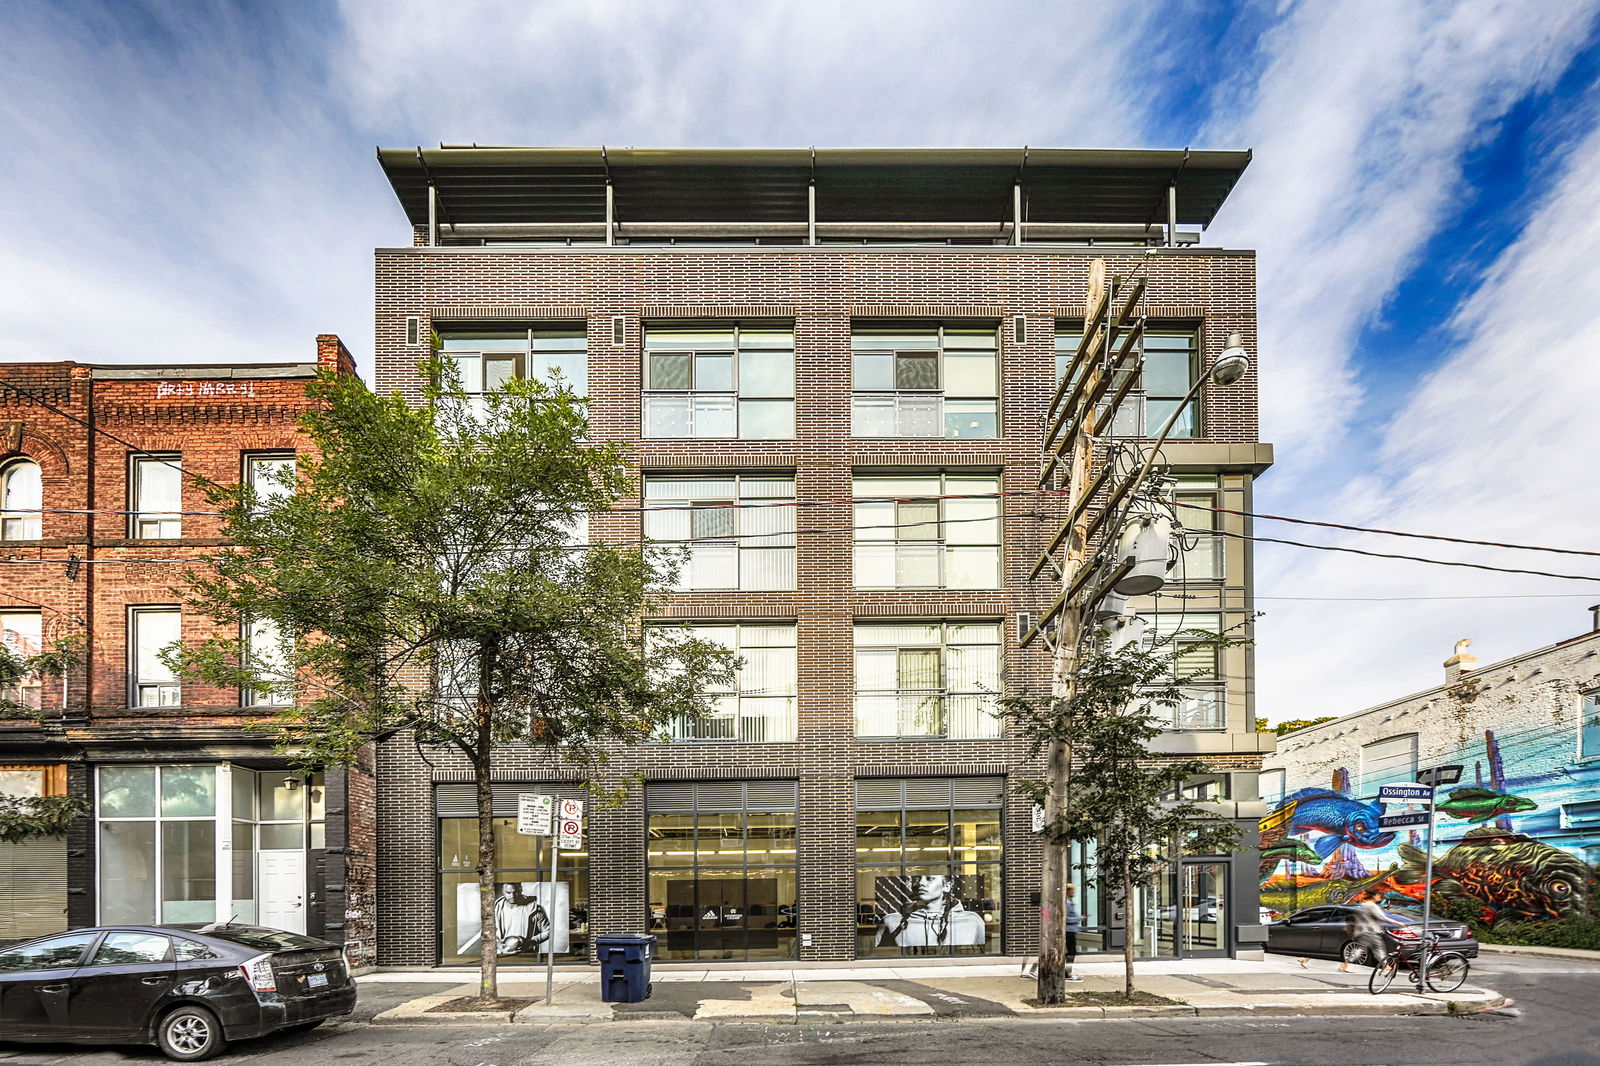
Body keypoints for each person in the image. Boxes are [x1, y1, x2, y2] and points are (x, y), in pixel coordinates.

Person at [876, 873, 986, 949]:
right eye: (917, 878)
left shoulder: (972, 921)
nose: (920, 883)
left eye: (930, 878)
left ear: (946, 886)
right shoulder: (892, 922)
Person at [493, 882, 551, 955]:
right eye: (508, 892)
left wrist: (530, 943)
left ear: (521, 889)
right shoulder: (494, 910)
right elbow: (487, 933)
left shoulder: (535, 909)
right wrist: (497, 943)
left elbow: (548, 932)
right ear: (502, 891)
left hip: (527, 955)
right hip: (501, 955)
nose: (512, 896)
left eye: (515, 892)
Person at [1339, 890, 1389, 973]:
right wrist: (1397, 923)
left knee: (1362, 949)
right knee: (1378, 948)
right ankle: (1386, 966)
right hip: (1369, 932)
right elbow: (1382, 917)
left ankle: (1345, 965)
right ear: (1374, 896)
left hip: (1364, 932)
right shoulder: (1370, 906)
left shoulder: (1363, 905)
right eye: (1378, 895)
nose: (1379, 897)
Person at [1063, 884, 1084, 982]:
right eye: (1072, 891)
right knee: (1071, 953)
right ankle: (1067, 973)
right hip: (1069, 931)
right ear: (1068, 891)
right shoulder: (1067, 903)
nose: (1074, 892)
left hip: (1071, 930)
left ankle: (1067, 972)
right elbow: (1065, 918)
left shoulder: (1070, 902)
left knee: (1071, 953)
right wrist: (1079, 918)